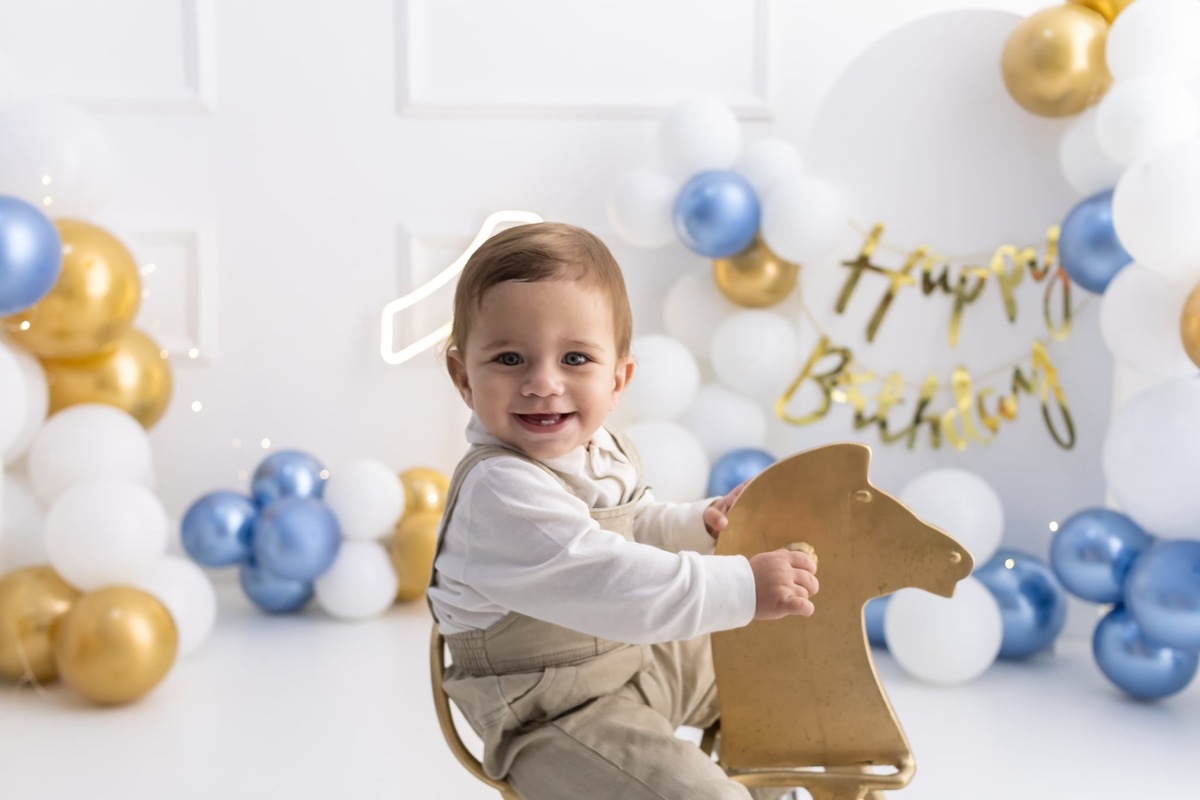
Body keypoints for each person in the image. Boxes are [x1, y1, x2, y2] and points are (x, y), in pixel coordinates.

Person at [427, 221, 819, 800]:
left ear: (618, 379)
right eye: (509, 358)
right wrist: (742, 586)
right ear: (463, 376)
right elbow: (612, 581)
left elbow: (636, 525)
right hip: (552, 711)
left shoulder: (599, 448)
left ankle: (779, 781)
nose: (543, 383)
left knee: (782, 684)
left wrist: (701, 525)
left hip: (634, 658)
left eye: (575, 358)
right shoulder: (500, 493)